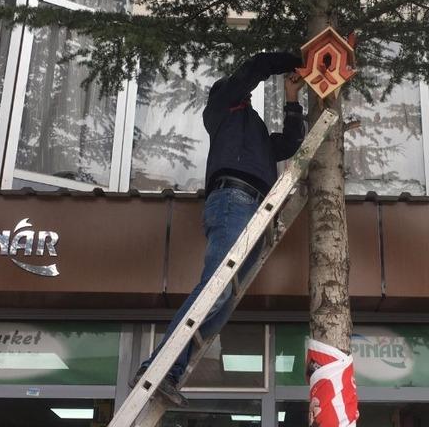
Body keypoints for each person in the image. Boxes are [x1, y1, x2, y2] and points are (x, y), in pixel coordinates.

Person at [129, 52, 306, 406]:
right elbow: (255, 66)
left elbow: (289, 144)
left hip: (254, 209)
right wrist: (299, 57)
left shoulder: (254, 131)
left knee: (222, 302)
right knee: (216, 290)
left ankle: (170, 372)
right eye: (243, 89)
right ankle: (156, 369)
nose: (248, 92)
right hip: (232, 201)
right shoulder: (223, 109)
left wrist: (291, 99)